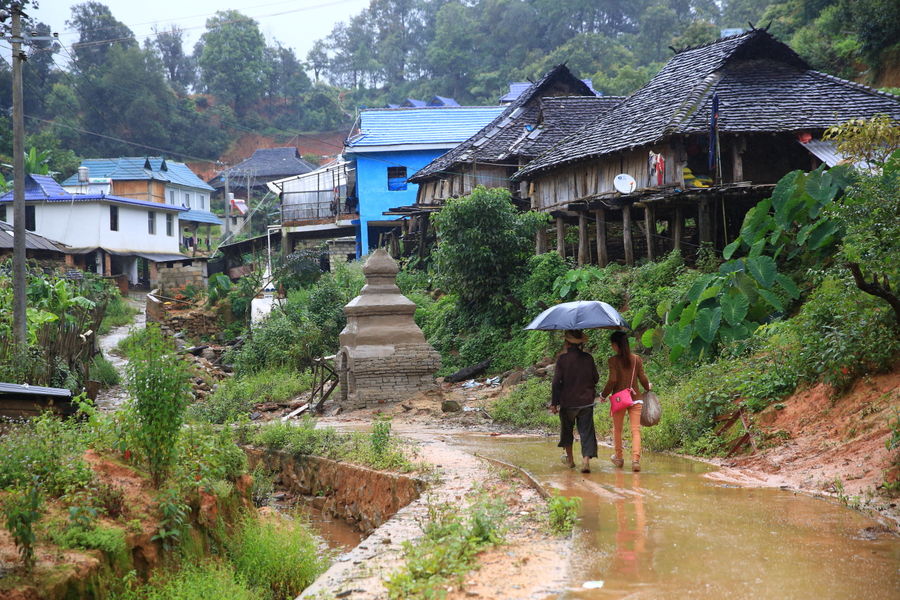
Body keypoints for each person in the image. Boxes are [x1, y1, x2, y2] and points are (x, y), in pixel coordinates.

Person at [601, 331, 652, 472]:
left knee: (618, 430)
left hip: (619, 400)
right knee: (636, 430)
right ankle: (635, 461)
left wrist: (603, 395)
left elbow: (612, 380)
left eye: (612, 344)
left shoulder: (612, 361)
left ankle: (619, 458)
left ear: (615, 345)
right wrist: (648, 387)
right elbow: (642, 378)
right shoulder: (636, 359)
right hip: (636, 398)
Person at [550, 330, 599, 473]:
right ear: (581, 343)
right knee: (586, 432)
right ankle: (585, 461)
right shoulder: (588, 358)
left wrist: (554, 403)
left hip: (568, 403)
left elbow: (555, 383)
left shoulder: (562, 359)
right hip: (586, 402)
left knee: (567, 431)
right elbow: (595, 378)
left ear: (566, 342)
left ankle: (570, 461)